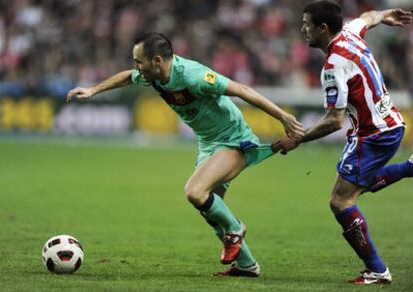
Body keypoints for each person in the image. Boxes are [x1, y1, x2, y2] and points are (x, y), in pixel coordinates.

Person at [67, 33, 304, 277]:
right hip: (208, 144)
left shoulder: (193, 76)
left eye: (139, 61)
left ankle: (236, 228)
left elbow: (242, 89)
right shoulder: (154, 75)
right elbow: (127, 77)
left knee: (195, 192)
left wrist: (283, 116)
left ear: (157, 61)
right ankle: (247, 265)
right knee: (210, 212)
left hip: (233, 139)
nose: (136, 67)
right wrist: (93, 90)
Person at [273, 0, 413, 285]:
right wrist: (386, 15)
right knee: (363, 184)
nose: (302, 29)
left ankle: (377, 270)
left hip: (373, 134)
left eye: (306, 25)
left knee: (340, 201)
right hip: (390, 125)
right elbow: (369, 16)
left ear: (323, 28)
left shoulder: (334, 65)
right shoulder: (350, 31)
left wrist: (298, 139)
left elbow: (334, 120)